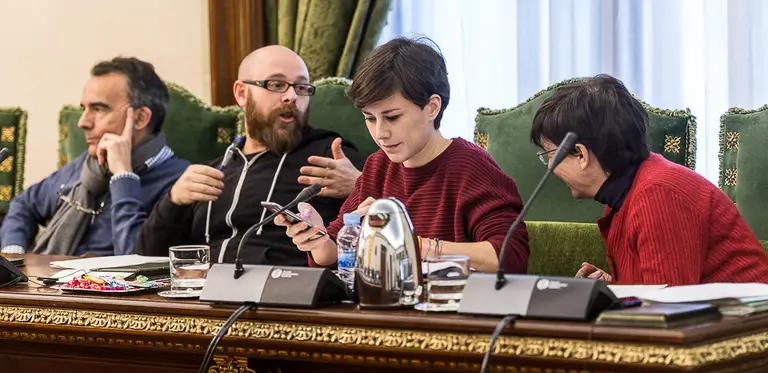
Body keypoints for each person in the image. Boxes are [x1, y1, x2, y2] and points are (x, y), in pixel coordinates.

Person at [276, 37, 530, 273]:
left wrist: (412, 244)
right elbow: (335, 253)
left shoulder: (471, 166)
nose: (380, 133)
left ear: (432, 107)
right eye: (370, 118)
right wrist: (318, 241)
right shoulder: (378, 167)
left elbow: (510, 256)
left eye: (392, 117)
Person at [135, 45, 366, 265]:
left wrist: (360, 184)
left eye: (302, 87)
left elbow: (389, 217)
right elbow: (147, 258)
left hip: (283, 297)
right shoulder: (211, 173)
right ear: (241, 93)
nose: (292, 96)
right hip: (203, 297)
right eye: (276, 85)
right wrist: (173, 201)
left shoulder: (330, 157)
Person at [530, 74, 768, 285]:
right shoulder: (627, 193)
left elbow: (667, 308)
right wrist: (613, 286)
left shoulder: (659, 193)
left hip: (750, 332)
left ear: (581, 154)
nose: (551, 167)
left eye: (550, 155)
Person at [0, 57, 189, 256]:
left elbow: (135, 260)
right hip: (46, 283)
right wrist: (14, 254)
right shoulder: (89, 164)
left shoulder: (177, 184)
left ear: (140, 118)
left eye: (98, 109)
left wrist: (123, 177)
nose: (82, 122)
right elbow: (24, 205)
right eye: (84, 109)